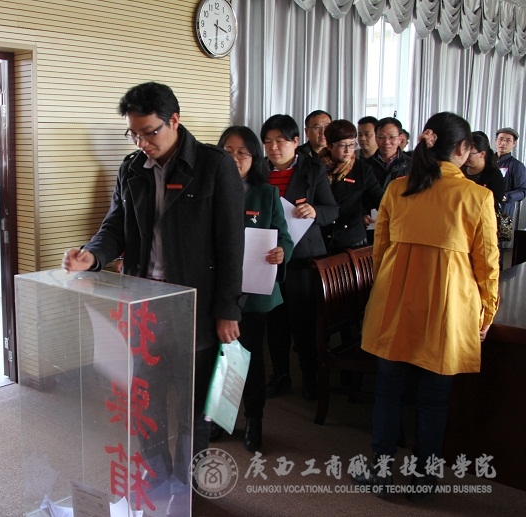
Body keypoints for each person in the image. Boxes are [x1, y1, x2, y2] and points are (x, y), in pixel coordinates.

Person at [61, 82, 244, 513]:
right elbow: (115, 225)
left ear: (174, 120)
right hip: (144, 307)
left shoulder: (214, 166)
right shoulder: (132, 168)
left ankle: (190, 481)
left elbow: (231, 245)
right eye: (134, 134)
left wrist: (227, 310)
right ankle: (159, 477)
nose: (142, 142)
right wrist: (92, 255)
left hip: (196, 308)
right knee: (146, 399)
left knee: (194, 407)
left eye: (149, 132)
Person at [353, 112, 500, 502]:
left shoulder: (397, 188)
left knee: (388, 391)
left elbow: (380, 250)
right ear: (462, 149)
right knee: (433, 399)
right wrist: (486, 312)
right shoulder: (477, 196)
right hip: (447, 309)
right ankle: (422, 480)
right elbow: (487, 263)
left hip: (395, 301)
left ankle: (380, 472)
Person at [210, 126, 294, 451]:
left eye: (242, 152)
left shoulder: (266, 193)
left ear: (254, 157)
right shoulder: (209, 189)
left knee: (251, 356)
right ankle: (221, 416)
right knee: (221, 355)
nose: (235, 158)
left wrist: (282, 251)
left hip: (253, 290)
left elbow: (283, 235)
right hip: (219, 289)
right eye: (228, 151)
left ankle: (254, 418)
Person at [260, 114, 339, 400]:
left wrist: (315, 211)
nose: (274, 147)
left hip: (303, 258)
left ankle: (310, 375)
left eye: (280, 141)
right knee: (275, 323)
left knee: (304, 322)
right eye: (268, 141)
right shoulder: (259, 170)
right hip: (268, 257)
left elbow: (332, 209)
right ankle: (281, 375)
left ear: (296, 141)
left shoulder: (312, 168)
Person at [319, 120, 383, 254]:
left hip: (351, 239)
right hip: (321, 237)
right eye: (342, 145)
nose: (348, 150)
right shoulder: (315, 167)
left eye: (352, 144)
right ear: (329, 145)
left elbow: (380, 199)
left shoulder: (362, 169)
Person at [462, 131, 505, 213]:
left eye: (470, 154)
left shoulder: (493, 175)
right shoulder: (460, 170)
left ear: (482, 154)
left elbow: (495, 203)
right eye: (464, 152)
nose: (465, 157)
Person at [367, 117, 411, 187]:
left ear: (400, 139)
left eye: (392, 137)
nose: (386, 142)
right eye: (381, 137)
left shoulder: (411, 165)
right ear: (376, 138)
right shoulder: (366, 165)